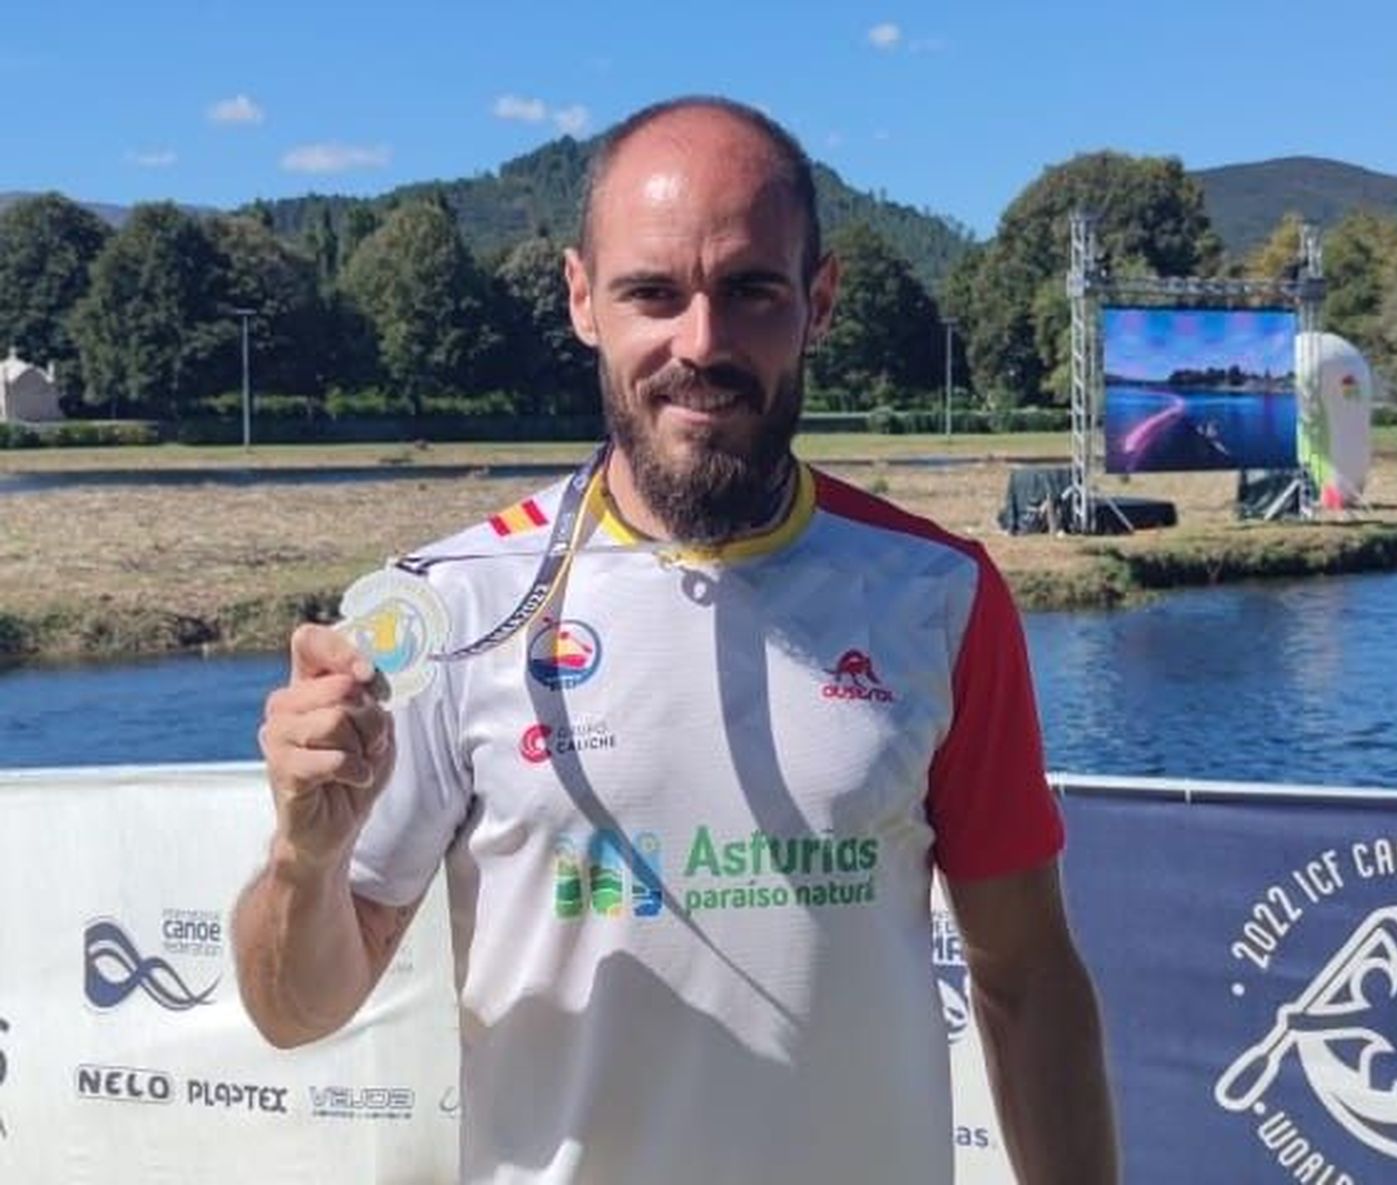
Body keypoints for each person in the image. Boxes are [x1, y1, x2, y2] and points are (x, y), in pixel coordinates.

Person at [234, 95, 1116, 1185]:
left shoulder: (938, 594)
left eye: (750, 291)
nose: (701, 343)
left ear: (819, 300)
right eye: (652, 293)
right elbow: (294, 1010)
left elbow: (1025, 977)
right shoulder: (453, 605)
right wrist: (305, 859)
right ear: (581, 299)